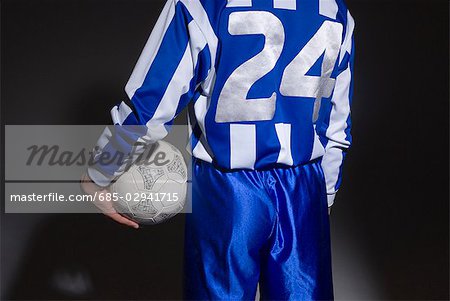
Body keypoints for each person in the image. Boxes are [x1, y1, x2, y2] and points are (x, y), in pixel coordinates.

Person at [81, 0, 355, 299]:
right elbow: (335, 124)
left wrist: (100, 173)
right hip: (303, 191)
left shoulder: (201, 4)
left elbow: (150, 104)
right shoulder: (334, 8)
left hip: (228, 192)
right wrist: (324, 194)